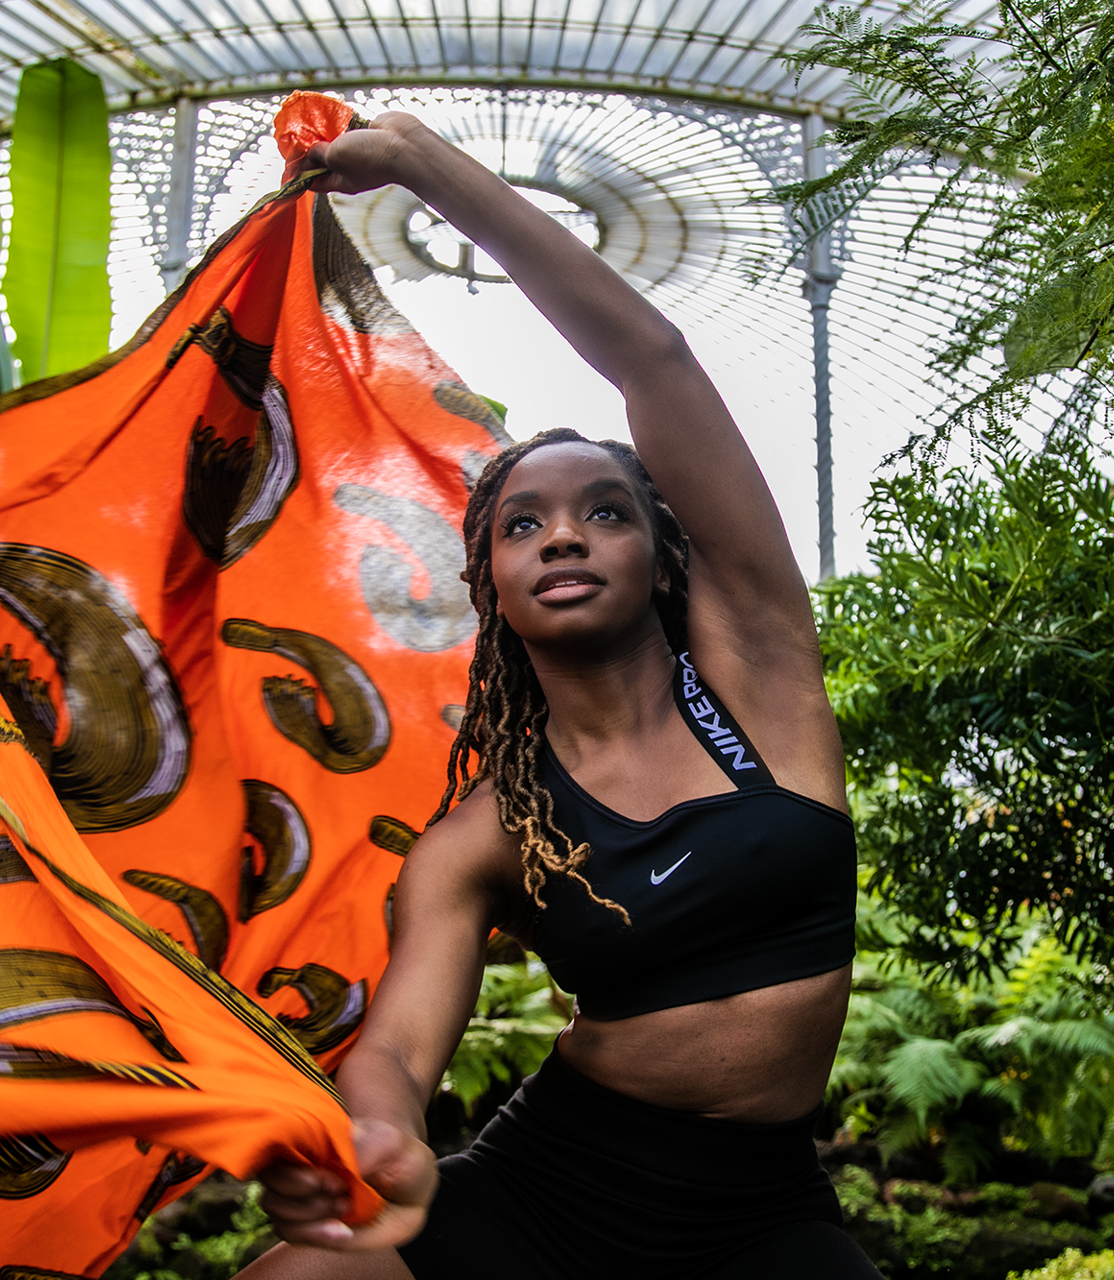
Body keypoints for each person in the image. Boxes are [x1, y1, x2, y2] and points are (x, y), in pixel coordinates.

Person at [241, 110, 878, 1280]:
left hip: (760, 1216)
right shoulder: (485, 830)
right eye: (523, 522)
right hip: (550, 1192)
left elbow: (652, 361)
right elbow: (395, 1050)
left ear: (659, 553)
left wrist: (425, 165)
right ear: (489, 578)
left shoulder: (761, 680)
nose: (564, 536)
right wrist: (375, 1130)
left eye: (605, 510)